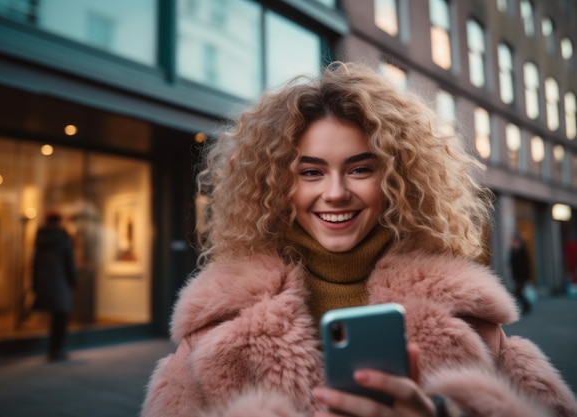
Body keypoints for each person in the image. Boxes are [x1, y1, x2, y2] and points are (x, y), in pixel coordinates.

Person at [141, 62, 577, 417]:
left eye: (360, 169)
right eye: (310, 172)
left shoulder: (469, 321)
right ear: (277, 186)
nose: (334, 192)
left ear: (396, 179)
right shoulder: (215, 331)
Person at [31, 210, 77, 361]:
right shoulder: (62, 236)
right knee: (61, 317)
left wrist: (36, 284)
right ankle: (56, 350)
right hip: (61, 283)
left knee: (55, 317)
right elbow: (68, 261)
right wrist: (73, 280)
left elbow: (35, 263)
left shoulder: (40, 236)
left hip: (46, 283)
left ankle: (53, 349)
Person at [509, 234, 533, 314]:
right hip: (516, 276)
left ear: (518, 242)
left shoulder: (522, 251)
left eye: (514, 241)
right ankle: (526, 306)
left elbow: (526, 265)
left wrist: (527, 277)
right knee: (519, 292)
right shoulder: (512, 251)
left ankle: (525, 306)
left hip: (522, 276)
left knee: (519, 292)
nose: (512, 243)